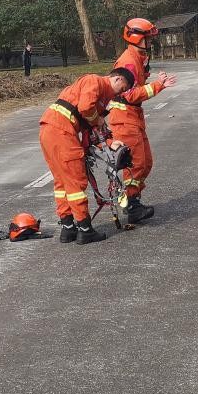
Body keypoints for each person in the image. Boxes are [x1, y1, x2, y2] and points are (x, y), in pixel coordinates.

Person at [39, 68, 134, 245]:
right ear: (117, 79)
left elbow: (93, 126)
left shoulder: (97, 96)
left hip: (49, 130)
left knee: (62, 182)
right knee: (75, 182)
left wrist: (109, 141)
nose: (121, 93)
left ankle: (68, 227)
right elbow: (86, 110)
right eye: (123, 88)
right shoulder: (95, 81)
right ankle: (84, 228)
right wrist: (96, 119)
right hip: (62, 132)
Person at [108, 17, 177, 224]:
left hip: (133, 117)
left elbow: (137, 84)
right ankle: (131, 205)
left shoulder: (138, 57)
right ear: (138, 38)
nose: (151, 42)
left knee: (145, 163)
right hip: (125, 119)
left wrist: (154, 79)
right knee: (136, 164)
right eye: (148, 38)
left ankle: (133, 200)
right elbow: (129, 94)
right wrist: (157, 86)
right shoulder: (129, 61)